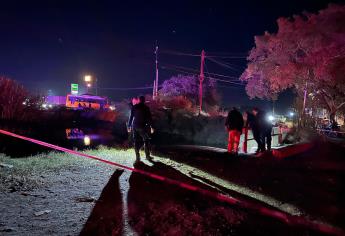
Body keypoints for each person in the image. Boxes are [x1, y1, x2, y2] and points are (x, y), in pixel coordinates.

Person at [128, 95, 153, 161]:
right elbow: (149, 118)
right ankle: (147, 156)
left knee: (136, 141)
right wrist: (152, 127)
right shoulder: (146, 108)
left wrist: (129, 126)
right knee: (146, 140)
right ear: (144, 100)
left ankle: (137, 157)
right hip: (142, 126)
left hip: (134, 125)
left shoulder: (134, 107)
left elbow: (131, 117)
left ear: (139, 100)